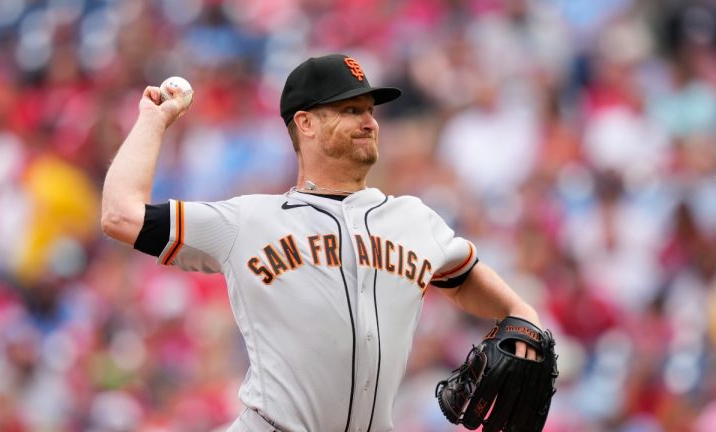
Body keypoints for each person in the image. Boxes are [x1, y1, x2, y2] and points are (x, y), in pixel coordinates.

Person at [101, 54, 542, 432]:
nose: (369, 121)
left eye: (370, 110)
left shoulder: (415, 220)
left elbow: (463, 278)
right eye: (350, 110)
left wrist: (523, 314)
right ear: (306, 123)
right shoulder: (247, 220)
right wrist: (154, 119)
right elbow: (121, 215)